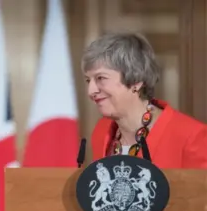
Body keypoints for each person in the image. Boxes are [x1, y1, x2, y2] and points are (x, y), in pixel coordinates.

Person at [83, 32, 206, 169]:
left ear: (136, 81)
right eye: (88, 80)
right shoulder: (101, 130)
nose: (91, 91)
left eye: (101, 78)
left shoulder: (191, 137)